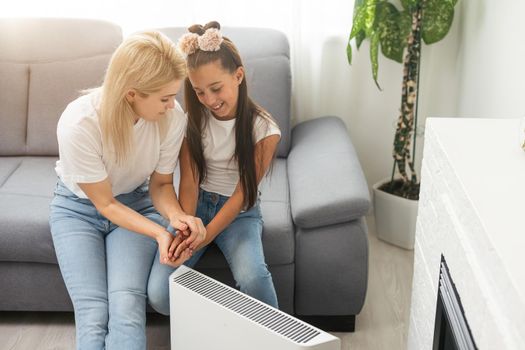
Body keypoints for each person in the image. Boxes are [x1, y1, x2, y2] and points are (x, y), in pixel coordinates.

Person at [49, 31, 206, 350]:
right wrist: (159, 234)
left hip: (136, 204)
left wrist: (176, 217)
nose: (171, 105)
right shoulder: (79, 123)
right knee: (94, 313)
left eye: (173, 95)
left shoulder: (171, 117)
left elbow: (161, 185)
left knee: (126, 308)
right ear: (132, 93)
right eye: (164, 98)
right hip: (77, 212)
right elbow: (105, 204)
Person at [148, 21, 281, 314]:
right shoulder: (191, 122)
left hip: (239, 213)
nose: (210, 100)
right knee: (159, 295)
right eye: (199, 92)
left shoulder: (265, 129)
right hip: (195, 208)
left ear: (238, 75)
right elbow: (190, 182)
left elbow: (242, 196)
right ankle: (218, 326)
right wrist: (186, 224)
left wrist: (206, 235)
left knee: (253, 279)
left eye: (216, 88)